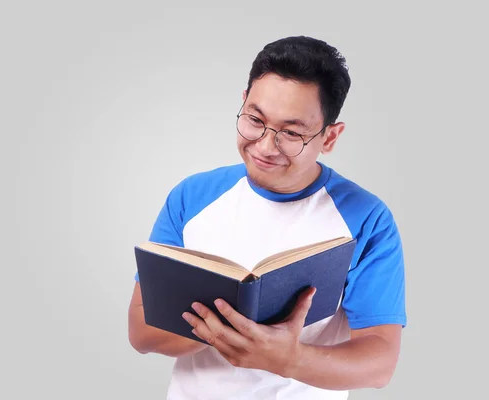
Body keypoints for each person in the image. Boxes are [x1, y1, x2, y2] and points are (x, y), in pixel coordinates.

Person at [127, 35, 406, 400]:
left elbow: (379, 362)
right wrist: (223, 325)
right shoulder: (192, 196)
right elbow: (140, 330)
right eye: (255, 120)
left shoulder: (367, 218)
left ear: (331, 136)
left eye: (291, 133)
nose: (264, 146)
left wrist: (288, 359)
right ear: (243, 103)